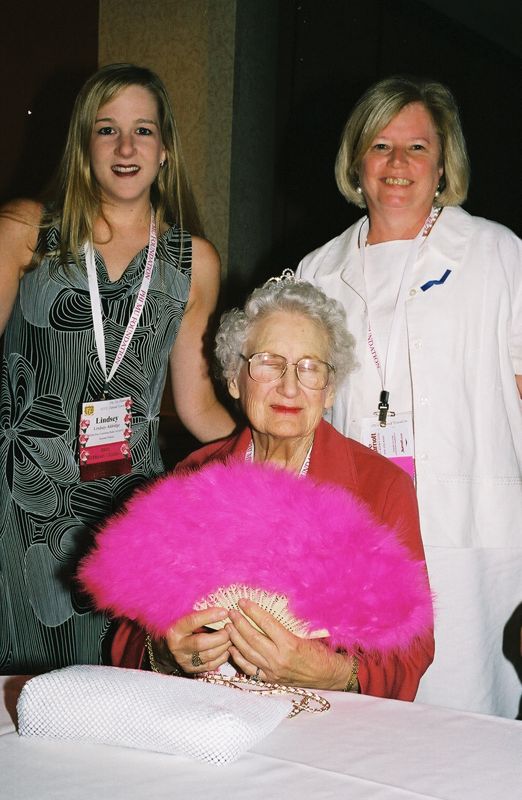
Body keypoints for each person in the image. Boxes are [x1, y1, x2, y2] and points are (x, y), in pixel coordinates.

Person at [296, 75, 522, 717]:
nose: (397, 165)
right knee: (367, 710)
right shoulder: (318, 270)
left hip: (471, 525)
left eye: (417, 148)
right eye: (380, 146)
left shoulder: (497, 253)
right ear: (356, 162)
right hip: (358, 527)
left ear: (444, 163)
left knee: (469, 713)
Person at [0, 63, 234, 674]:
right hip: (20, 505)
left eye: (143, 131)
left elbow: (196, 404)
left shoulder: (193, 260)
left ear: (165, 148)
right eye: (107, 130)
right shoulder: (27, 230)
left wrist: (279, 451)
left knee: (115, 692)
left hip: (129, 513)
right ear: (84, 144)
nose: (126, 148)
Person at [110, 275, 434, 701]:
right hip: (206, 713)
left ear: (330, 389)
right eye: (268, 362)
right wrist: (167, 653)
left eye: (310, 367)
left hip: (321, 725)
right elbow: (128, 633)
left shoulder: (381, 488)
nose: (289, 385)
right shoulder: (194, 476)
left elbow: (413, 651)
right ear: (233, 378)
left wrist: (333, 672)